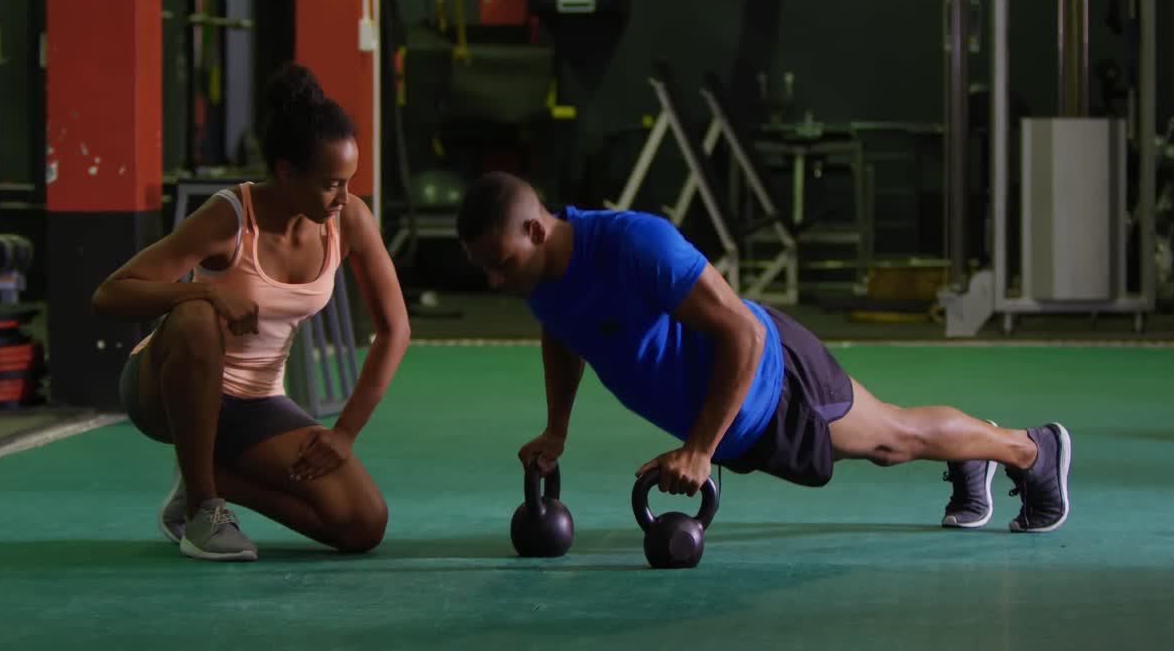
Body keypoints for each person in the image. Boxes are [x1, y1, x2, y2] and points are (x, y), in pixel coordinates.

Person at [455, 171, 1071, 533]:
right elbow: (565, 334)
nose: (497, 284)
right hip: (737, 420)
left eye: (502, 265)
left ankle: (1031, 448)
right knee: (891, 436)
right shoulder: (541, 282)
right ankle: (973, 455)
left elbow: (742, 335)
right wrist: (556, 428)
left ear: (535, 230)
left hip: (776, 381)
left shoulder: (634, 245)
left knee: (893, 441)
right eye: (487, 272)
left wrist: (700, 449)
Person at [92, 64, 410, 561]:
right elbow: (111, 293)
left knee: (362, 523)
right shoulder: (229, 217)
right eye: (331, 184)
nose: (344, 197)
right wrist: (205, 295)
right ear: (286, 173)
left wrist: (344, 431)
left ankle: (206, 477)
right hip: (167, 388)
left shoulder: (349, 219)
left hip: (257, 404)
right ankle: (203, 511)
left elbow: (395, 329)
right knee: (196, 315)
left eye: (349, 182)